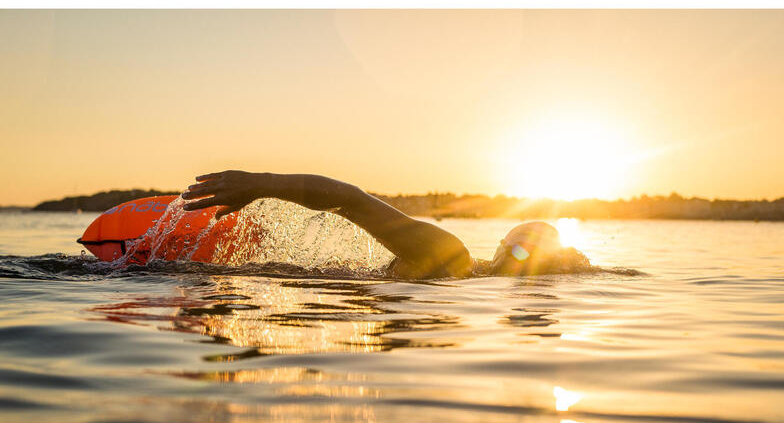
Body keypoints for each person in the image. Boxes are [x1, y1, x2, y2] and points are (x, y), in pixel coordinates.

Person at [181, 170, 590, 278]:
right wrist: (261, 184)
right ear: (501, 246)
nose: (526, 253)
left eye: (536, 251)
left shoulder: (460, 272)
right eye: (523, 244)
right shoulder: (451, 257)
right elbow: (350, 199)